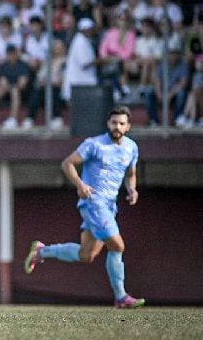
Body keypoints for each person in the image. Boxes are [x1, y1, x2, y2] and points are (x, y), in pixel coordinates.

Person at [25, 105, 145, 309]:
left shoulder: (131, 148)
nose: (117, 126)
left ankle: (42, 252)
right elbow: (67, 163)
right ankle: (121, 296)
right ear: (108, 123)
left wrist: (132, 189)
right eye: (114, 122)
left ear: (128, 126)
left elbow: (130, 173)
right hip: (93, 203)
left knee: (86, 255)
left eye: (121, 123)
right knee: (117, 245)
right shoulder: (94, 144)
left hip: (109, 206)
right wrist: (80, 184)